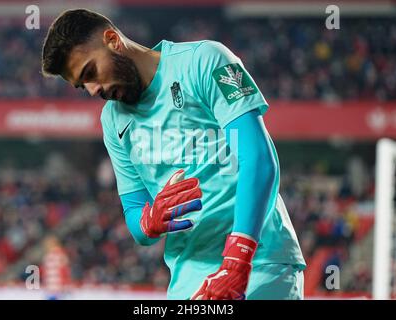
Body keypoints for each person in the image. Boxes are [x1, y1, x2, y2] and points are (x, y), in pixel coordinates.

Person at [41, 8, 306, 300]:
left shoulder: (205, 60)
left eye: (90, 72)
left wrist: (237, 260)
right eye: (82, 86)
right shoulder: (113, 121)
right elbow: (134, 216)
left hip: (260, 262)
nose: (93, 90)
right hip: (188, 278)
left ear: (113, 40)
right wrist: (149, 220)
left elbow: (258, 159)